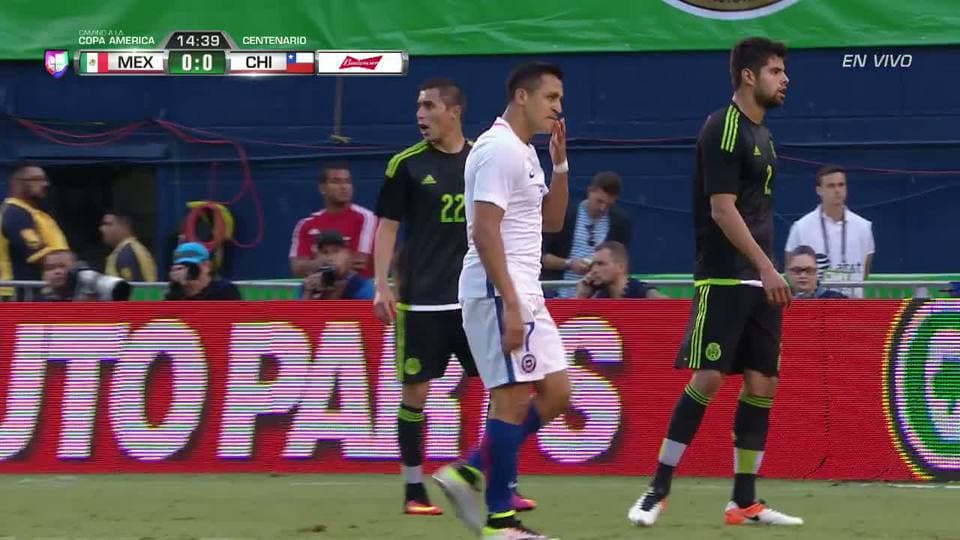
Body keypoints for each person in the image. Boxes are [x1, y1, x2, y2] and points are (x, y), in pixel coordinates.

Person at [628, 37, 803, 528]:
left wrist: (767, 269)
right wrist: (766, 267)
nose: (784, 79)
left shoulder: (764, 135)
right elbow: (722, 210)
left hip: (760, 278)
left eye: (783, 71)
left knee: (762, 383)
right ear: (748, 76)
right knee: (707, 378)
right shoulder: (722, 127)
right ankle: (657, 489)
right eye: (775, 71)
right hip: (725, 276)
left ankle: (744, 500)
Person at [433, 61, 570, 540]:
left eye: (559, 99)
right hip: (500, 289)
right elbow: (484, 230)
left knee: (557, 391)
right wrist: (509, 301)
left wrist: (560, 165)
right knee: (511, 398)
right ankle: (500, 522)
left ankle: (471, 468)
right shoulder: (497, 149)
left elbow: (551, 222)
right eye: (551, 97)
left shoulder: (524, 151)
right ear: (521, 97)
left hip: (524, 289)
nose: (558, 107)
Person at [784, 165, 875, 298]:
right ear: (819, 190)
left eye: (841, 185)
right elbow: (791, 269)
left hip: (852, 303)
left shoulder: (863, 227)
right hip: (815, 304)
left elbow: (865, 271)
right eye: (831, 186)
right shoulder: (801, 228)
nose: (837, 190)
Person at [541, 171, 632, 297]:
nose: (603, 208)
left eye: (609, 205)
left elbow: (621, 263)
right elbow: (542, 258)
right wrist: (569, 264)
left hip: (597, 299)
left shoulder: (620, 222)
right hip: (557, 294)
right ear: (590, 191)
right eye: (599, 201)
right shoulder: (564, 215)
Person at [289, 162, 377, 278]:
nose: (344, 187)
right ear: (322, 188)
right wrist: (323, 263)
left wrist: (320, 261)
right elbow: (297, 268)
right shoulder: (305, 224)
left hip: (357, 286)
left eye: (347, 181)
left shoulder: (366, 218)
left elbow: (360, 262)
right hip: (317, 284)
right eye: (336, 182)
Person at [0, 162, 69, 300]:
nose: (45, 184)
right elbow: (39, 254)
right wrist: (72, 269)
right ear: (17, 184)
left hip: (40, 290)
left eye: (44, 179)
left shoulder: (33, 212)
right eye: (36, 179)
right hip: (21, 294)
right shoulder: (14, 213)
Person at [575, 241, 665, 299]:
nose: (594, 270)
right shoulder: (600, 297)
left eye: (601, 264)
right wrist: (581, 296)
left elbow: (670, 312)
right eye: (593, 264)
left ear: (621, 267)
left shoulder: (643, 293)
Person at [302, 230, 373, 300]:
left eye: (335, 251)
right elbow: (303, 308)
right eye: (325, 252)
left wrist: (336, 292)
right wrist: (308, 294)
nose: (330, 258)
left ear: (347, 254)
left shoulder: (362, 287)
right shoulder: (313, 285)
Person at [164, 242, 240, 300]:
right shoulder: (175, 293)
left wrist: (195, 291)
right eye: (183, 266)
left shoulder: (224, 290)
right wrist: (177, 288)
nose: (188, 271)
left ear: (207, 266)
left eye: (192, 266)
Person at [101, 210, 157, 282]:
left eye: (108, 224)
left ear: (124, 225)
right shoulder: (128, 249)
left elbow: (133, 287)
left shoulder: (126, 253)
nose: (102, 228)